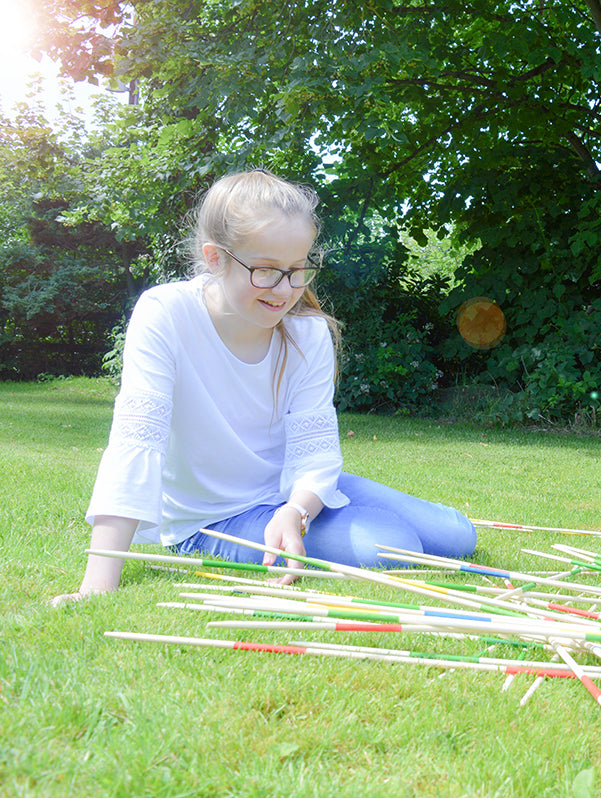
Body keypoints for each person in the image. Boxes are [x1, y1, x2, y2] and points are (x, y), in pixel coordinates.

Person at [52, 169, 476, 604]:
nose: (287, 290)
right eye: (268, 271)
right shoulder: (165, 314)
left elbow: (316, 451)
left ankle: (320, 512)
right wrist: (98, 585)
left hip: (288, 494)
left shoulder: (307, 334)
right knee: (391, 544)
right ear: (215, 258)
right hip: (211, 521)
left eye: (298, 270)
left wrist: (296, 510)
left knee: (457, 536)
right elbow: (136, 442)